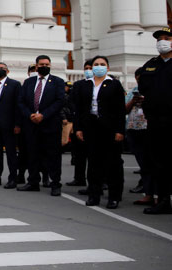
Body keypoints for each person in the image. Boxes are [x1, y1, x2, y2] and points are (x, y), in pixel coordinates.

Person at [72, 55, 126, 209]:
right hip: (91, 127)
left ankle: (114, 197)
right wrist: (79, 128)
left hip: (110, 129)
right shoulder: (84, 85)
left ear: (107, 68)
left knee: (113, 163)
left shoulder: (114, 84)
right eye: (96, 64)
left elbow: (120, 110)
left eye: (102, 64)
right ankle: (94, 195)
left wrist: (119, 130)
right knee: (94, 163)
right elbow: (80, 109)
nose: (98, 67)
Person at [17, 55, 65, 196]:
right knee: (32, 154)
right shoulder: (28, 82)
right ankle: (33, 182)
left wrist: (43, 115)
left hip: (50, 125)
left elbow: (60, 101)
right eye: (42, 64)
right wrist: (30, 115)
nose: (44, 66)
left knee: (53, 156)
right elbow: (21, 102)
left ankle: (55, 183)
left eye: (47, 64)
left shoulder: (58, 82)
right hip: (31, 125)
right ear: (36, 66)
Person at [138, 27, 172, 214]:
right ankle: (163, 199)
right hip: (156, 121)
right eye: (159, 39)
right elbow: (143, 86)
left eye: (167, 38)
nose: (162, 42)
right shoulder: (151, 64)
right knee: (159, 161)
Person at [126, 67, 153, 206]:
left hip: (150, 130)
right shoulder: (133, 91)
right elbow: (124, 109)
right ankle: (148, 193)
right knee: (143, 163)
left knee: (155, 163)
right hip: (134, 130)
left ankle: (159, 194)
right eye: (138, 77)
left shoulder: (155, 89)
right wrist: (133, 101)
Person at [66, 59, 93, 189]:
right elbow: (71, 102)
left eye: (90, 67)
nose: (88, 70)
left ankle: (99, 181)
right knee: (79, 154)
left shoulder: (105, 84)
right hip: (80, 123)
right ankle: (79, 178)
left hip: (95, 124)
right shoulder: (79, 85)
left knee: (96, 156)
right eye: (86, 68)